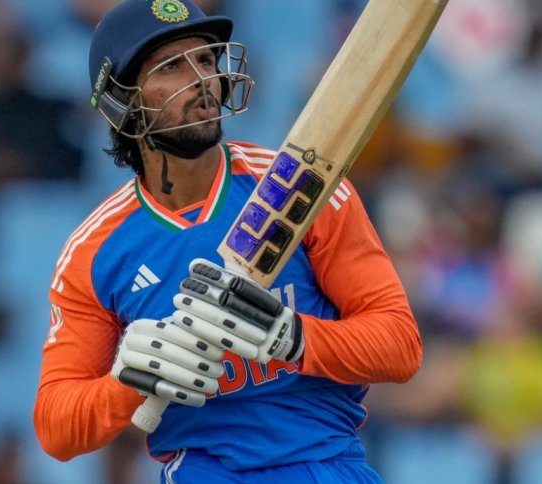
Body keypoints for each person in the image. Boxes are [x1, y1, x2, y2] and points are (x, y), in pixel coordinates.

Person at [32, 2, 423, 484]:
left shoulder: (299, 186)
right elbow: (56, 430)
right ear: (121, 101)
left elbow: (400, 345)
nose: (202, 79)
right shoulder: (94, 251)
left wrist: (294, 337)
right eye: (171, 66)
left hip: (329, 464)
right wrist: (127, 384)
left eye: (205, 59)